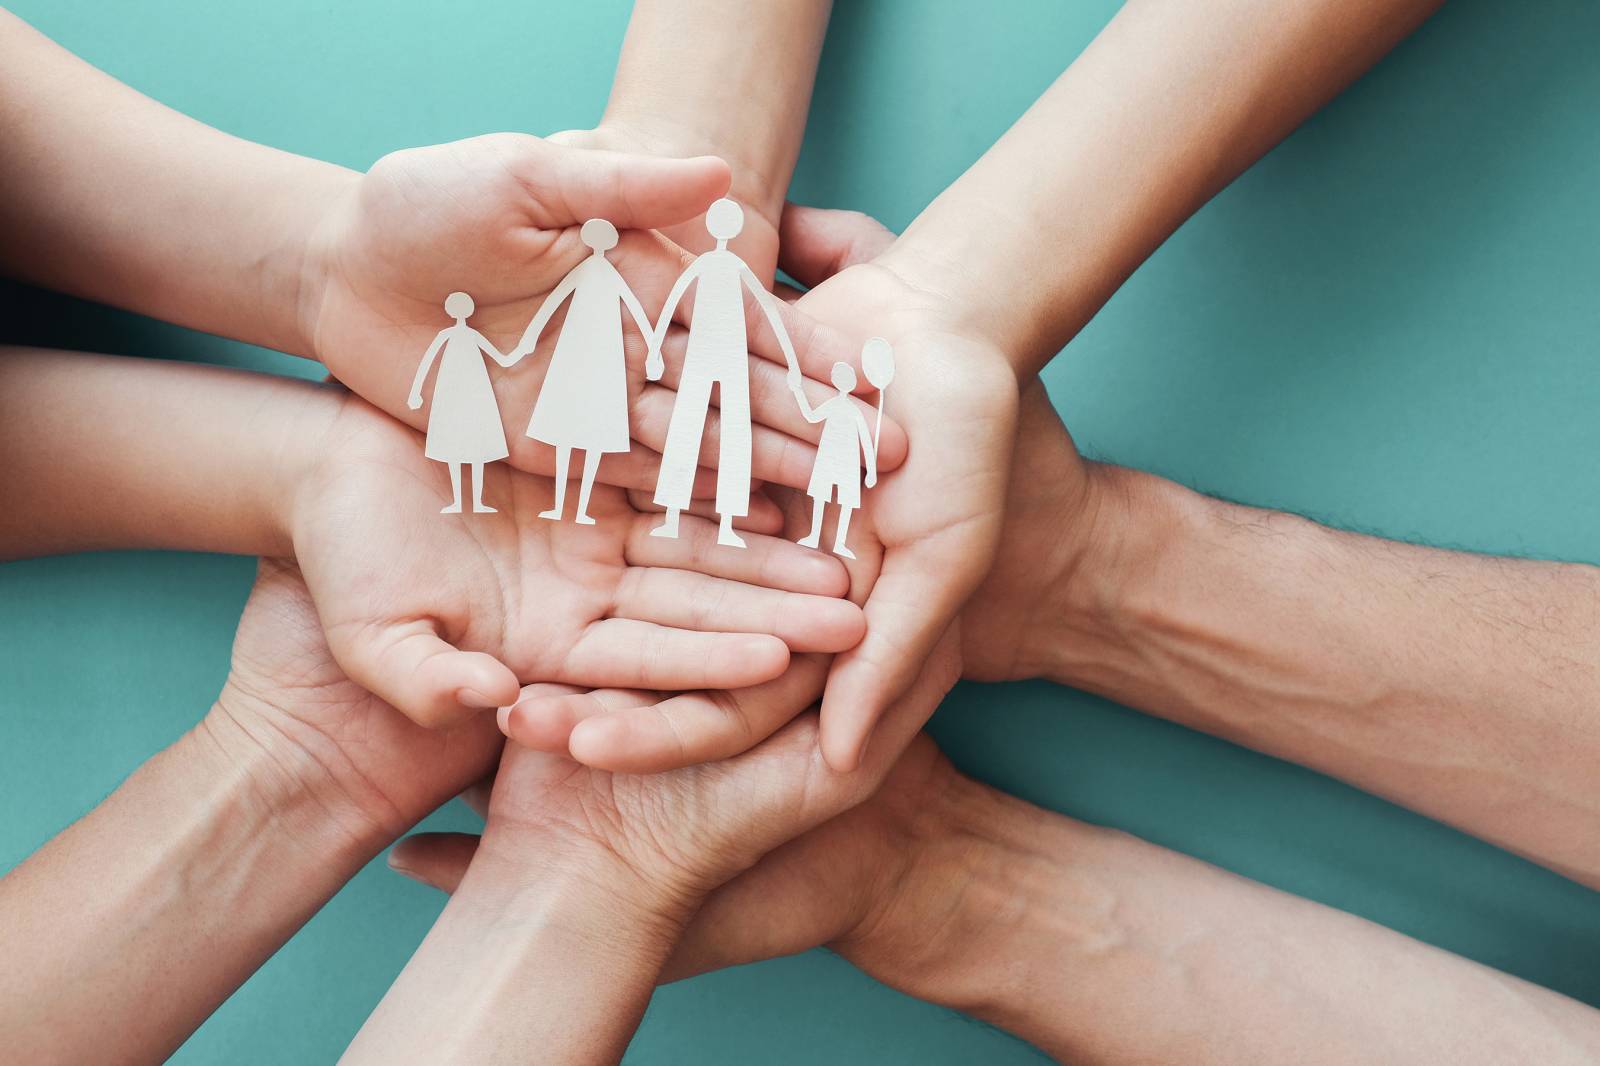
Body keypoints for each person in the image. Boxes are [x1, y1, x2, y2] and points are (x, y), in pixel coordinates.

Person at [646, 198, 804, 549]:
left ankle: (725, 523)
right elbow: (673, 301)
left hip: (731, 356)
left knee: (730, 433)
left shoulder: (733, 267)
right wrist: (654, 349)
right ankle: (674, 515)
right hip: (703, 354)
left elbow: (766, 309)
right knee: (692, 428)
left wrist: (793, 362)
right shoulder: (707, 266)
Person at [509, 218, 654, 525]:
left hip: (600, 355)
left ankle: (577, 506)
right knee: (573, 431)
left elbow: (632, 308)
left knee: (587, 433)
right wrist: (529, 338)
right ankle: (565, 504)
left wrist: (654, 347)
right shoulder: (590, 270)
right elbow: (554, 302)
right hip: (579, 352)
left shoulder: (603, 272)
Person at [407, 291, 513, 514]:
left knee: (476, 446)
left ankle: (477, 502)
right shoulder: (448, 335)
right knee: (455, 446)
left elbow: (500, 358)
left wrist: (519, 352)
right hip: (453, 394)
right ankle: (459, 501)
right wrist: (415, 392)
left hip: (474, 395)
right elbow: (428, 361)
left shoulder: (466, 335)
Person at [790, 359, 878, 558]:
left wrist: (871, 470)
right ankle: (813, 535)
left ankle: (840, 542)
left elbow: (865, 439)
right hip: (828, 456)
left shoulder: (855, 411)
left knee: (846, 501)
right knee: (820, 496)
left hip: (847, 460)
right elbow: (811, 416)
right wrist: (798, 392)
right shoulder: (835, 405)